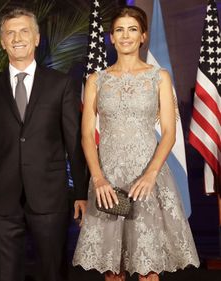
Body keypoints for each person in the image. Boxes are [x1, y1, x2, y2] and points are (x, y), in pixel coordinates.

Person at [72, 5, 199, 281]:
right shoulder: (96, 80)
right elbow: (85, 136)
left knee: (148, 269)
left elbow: (169, 132)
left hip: (148, 178)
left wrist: (151, 174)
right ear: (111, 37)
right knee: (112, 271)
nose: (125, 36)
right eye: (119, 30)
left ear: (143, 36)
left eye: (132, 30)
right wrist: (97, 179)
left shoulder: (159, 77)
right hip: (108, 179)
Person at [0, 8, 89, 281]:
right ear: (2, 42)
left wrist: (82, 192)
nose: (17, 38)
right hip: (1, 199)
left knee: (52, 272)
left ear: (36, 38)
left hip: (49, 196)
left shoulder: (60, 85)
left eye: (24, 31)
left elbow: (73, 142)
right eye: (10, 33)